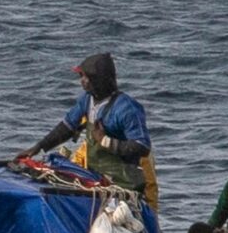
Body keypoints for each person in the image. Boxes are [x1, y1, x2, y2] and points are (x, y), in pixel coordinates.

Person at [20, 52, 155, 201]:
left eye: (85, 77)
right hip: (94, 177)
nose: (82, 82)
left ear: (99, 81)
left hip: (123, 183)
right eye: (81, 77)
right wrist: (39, 147)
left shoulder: (127, 108)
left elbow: (142, 146)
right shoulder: (87, 100)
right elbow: (67, 126)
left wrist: (105, 141)